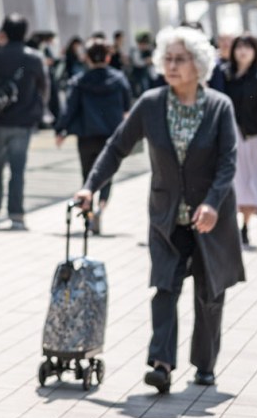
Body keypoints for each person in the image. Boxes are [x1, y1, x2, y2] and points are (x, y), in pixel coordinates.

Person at [74, 26, 243, 393]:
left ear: (198, 65)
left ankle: (205, 364)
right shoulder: (151, 104)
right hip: (166, 216)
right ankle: (161, 364)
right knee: (164, 287)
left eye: (180, 59)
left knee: (209, 293)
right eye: (167, 58)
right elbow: (117, 147)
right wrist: (90, 187)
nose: (172, 65)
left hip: (210, 218)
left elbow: (228, 163)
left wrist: (213, 204)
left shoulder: (219, 107)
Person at [54, 38, 132, 234]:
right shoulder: (118, 79)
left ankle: (88, 216)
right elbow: (127, 107)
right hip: (112, 138)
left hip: (86, 136)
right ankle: (100, 209)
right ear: (108, 57)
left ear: (86, 58)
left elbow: (69, 109)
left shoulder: (79, 81)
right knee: (107, 176)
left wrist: (60, 130)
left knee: (88, 177)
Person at [0, 14, 48, 230]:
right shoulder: (34, 57)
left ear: (4, 32)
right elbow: (44, 87)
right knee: (18, 170)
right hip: (22, 121)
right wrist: (37, 111)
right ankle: (16, 215)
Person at [223, 34, 257, 247]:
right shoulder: (226, 75)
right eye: (239, 47)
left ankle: (245, 225)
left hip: (253, 137)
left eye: (248, 47)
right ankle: (231, 224)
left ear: (255, 51)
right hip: (229, 137)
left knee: (252, 183)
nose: (243, 51)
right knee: (233, 182)